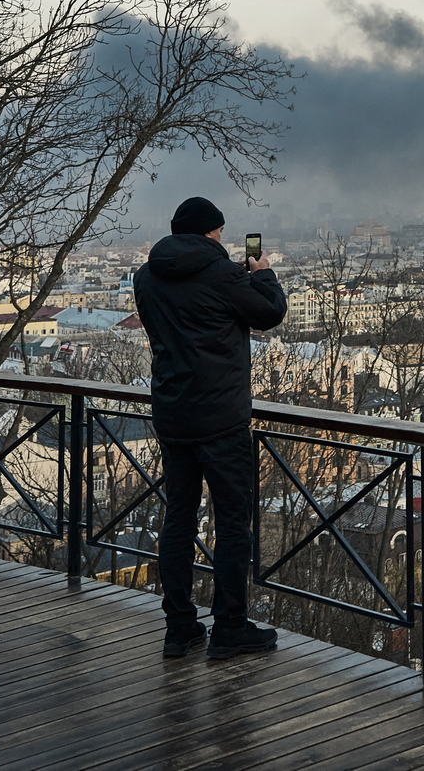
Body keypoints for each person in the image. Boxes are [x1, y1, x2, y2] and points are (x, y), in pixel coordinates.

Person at [133, 195, 287, 660]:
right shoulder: (223, 275)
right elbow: (270, 313)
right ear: (210, 232)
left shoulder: (146, 277)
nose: (222, 237)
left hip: (173, 416)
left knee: (178, 520)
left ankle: (179, 628)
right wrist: (263, 272)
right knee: (232, 523)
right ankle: (229, 627)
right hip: (221, 419)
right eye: (219, 231)